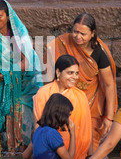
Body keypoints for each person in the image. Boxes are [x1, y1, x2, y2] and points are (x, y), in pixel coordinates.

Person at [0, 0, 43, 155]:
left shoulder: (19, 33)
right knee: (8, 111)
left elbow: (27, 62)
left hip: (27, 80)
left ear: (7, 16)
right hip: (5, 81)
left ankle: (27, 149)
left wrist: (7, 72)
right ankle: (13, 149)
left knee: (28, 112)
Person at [46, 13, 117, 151]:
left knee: (91, 146)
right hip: (63, 101)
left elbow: (109, 85)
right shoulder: (62, 44)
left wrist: (109, 117)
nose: (77, 37)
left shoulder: (98, 53)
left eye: (83, 34)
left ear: (92, 34)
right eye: (75, 32)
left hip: (90, 104)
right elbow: (50, 77)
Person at [28, 54, 92, 159]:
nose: (75, 77)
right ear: (58, 72)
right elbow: (38, 127)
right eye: (70, 73)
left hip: (78, 157)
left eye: (77, 73)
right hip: (51, 155)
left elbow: (87, 128)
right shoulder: (44, 93)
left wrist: (90, 157)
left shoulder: (81, 96)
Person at [23, 93, 76, 159]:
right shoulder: (53, 134)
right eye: (68, 115)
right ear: (61, 115)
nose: (69, 119)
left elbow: (25, 155)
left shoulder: (38, 131)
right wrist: (72, 133)